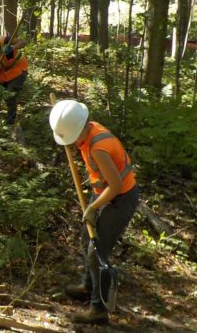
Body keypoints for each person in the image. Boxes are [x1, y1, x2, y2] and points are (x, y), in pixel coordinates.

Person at [49, 100, 141, 325]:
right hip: (104, 191)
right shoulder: (87, 129)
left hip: (119, 199)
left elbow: (117, 185)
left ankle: (98, 309)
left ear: (80, 129)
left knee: (96, 250)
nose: (72, 144)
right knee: (85, 238)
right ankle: (88, 286)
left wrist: (93, 207)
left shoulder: (99, 147)